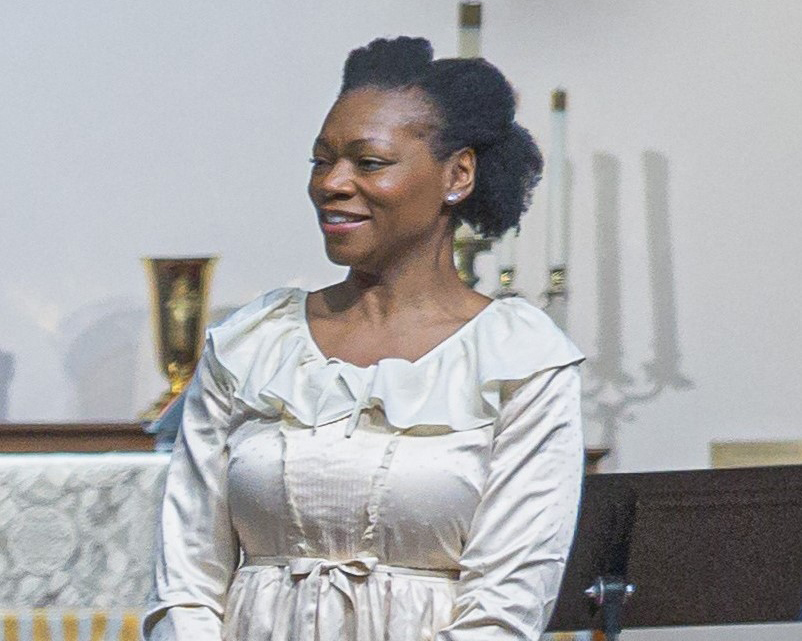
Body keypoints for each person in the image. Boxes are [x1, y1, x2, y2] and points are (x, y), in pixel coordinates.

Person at [143, 36, 584, 641]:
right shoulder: (252, 343)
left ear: (457, 174)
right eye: (322, 160)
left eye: (368, 163)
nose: (332, 183)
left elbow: (505, 608)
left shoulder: (520, 359)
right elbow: (184, 582)